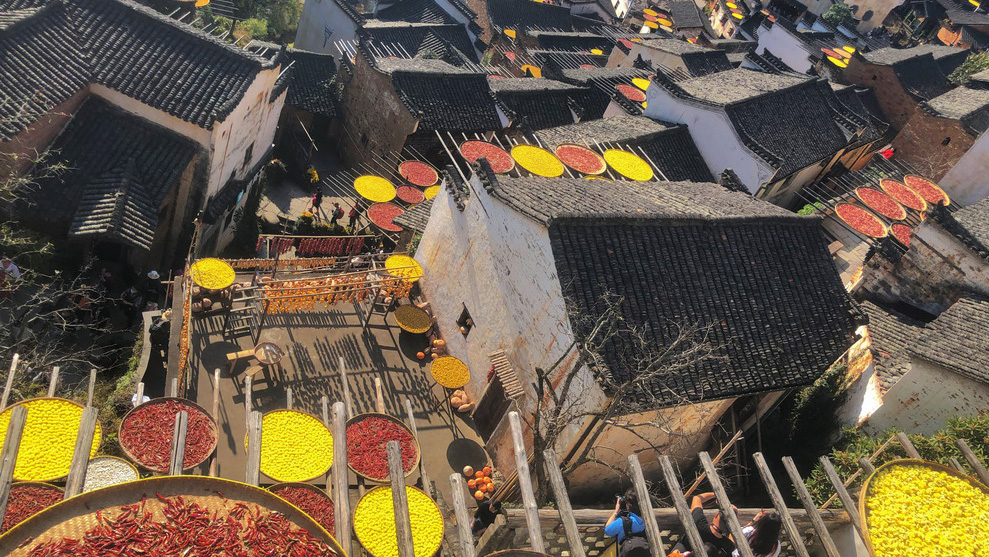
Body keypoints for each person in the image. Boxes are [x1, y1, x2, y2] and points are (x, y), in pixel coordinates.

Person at [670, 492, 736, 557]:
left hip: (681, 551)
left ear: (716, 516)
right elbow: (732, 541)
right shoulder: (728, 545)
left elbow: (697, 498)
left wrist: (717, 494)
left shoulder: (699, 524)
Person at [605, 489, 649, 557]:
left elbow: (607, 531)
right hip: (643, 547)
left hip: (626, 548)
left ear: (627, 505)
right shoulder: (648, 519)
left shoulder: (622, 521)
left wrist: (616, 511)